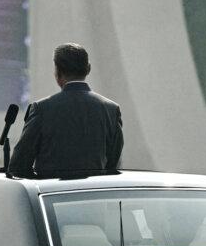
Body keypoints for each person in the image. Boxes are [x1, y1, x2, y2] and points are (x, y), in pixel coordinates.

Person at [9, 43, 123, 178]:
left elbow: (18, 166)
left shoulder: (42, 109)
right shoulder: (111, 110)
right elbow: (113, 167)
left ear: (57, 72)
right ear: (88, 69)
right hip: (94, 196)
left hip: (51, 196)